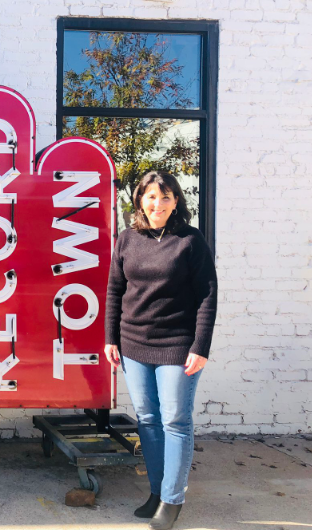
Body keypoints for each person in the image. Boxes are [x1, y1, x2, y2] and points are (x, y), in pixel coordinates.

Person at [104, 171, 217, 530]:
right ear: (139, 200)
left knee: (175, 421)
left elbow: (207, 296)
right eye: (152, 197)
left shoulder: (190, 240)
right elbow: (114, 291)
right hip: (133, 344)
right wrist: (110, 338)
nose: (158, 204)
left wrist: (200, 347)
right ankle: (155, 492)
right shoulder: (126, 239)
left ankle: (172, 499)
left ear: (176, 202)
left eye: (166, 197)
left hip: (178, 345)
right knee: (149, 420)